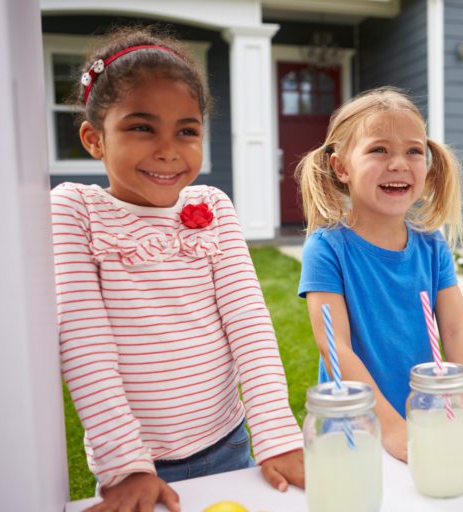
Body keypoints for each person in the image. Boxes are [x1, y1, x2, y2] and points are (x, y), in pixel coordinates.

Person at [51, 27, 303, 512]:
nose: (168, 149)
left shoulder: (212, 204)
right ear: (93, 138)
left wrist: (276, 435)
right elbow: (83, 339)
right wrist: (126, 465)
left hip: (228, 442)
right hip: (139, 464)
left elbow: (248, 324)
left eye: (186, 130)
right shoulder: (75, 209)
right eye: (142, 127)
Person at [295, 87, 463, 464]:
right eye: (378, 149)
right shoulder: (327, 249)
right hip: (355, 426)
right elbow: (337, 350)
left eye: (414, 151)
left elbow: (456, 331)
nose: (399, 163)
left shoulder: (432, 248)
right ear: (341, 167)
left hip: (427, 418)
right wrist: (392, 427)